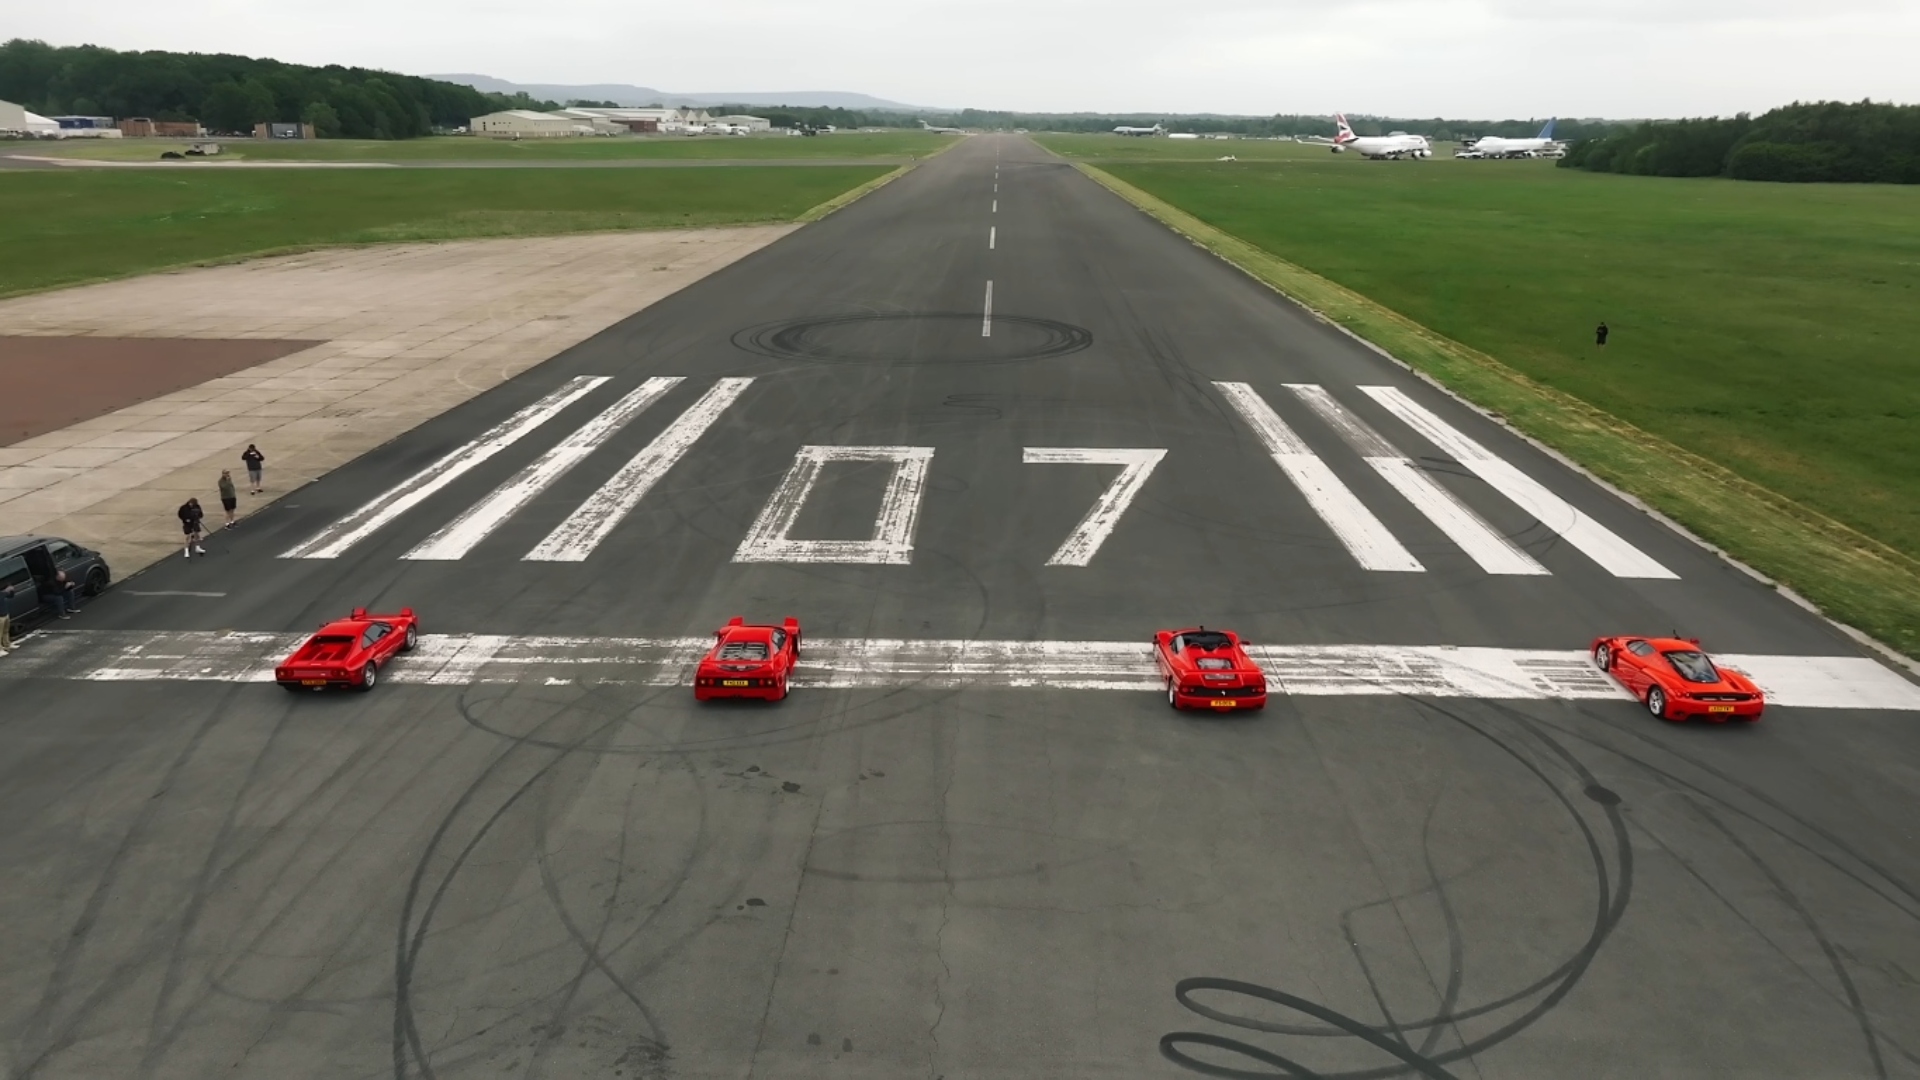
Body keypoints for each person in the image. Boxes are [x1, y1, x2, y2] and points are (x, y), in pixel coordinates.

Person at [0, 583, 14, 653]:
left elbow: (10, 596)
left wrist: (11, 591)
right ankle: (0, 649)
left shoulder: (2, 593)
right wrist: (6, 590)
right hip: (0, 617)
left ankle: (7, 645)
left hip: (5, 614)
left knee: (6, 631)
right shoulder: (1, 594)